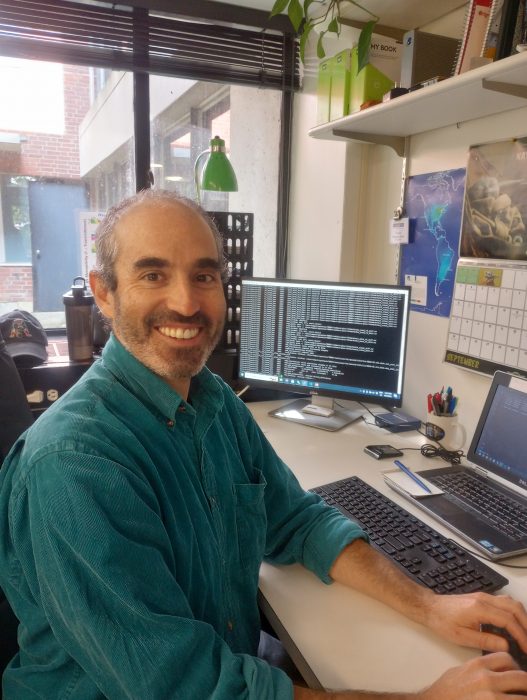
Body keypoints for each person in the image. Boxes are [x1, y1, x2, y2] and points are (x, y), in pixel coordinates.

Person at [0, 189, 526, 700]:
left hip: (231, 659)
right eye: (153, 274)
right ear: (105, 292)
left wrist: (430, 605)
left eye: (204, 275)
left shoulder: (214, 402)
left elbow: (298, 520)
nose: (186, 302)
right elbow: (186, 689)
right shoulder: (75, 466)